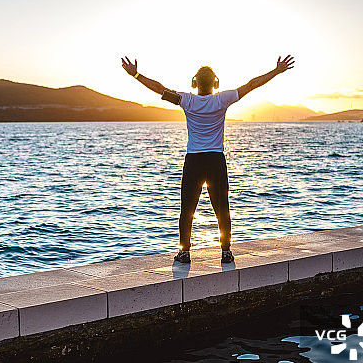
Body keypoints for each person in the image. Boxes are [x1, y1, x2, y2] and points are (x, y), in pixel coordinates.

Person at [121, 55, 295, 263]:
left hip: (194, 160)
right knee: (222, 208)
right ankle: (226, 252)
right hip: (215, 161)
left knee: (187, 209)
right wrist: (276, 71)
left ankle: (184, 252)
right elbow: (251, 85)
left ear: (194, 83)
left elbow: (159, 88)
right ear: (216, 83)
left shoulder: (187, 100)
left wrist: (136, 75)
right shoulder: (222, 99)